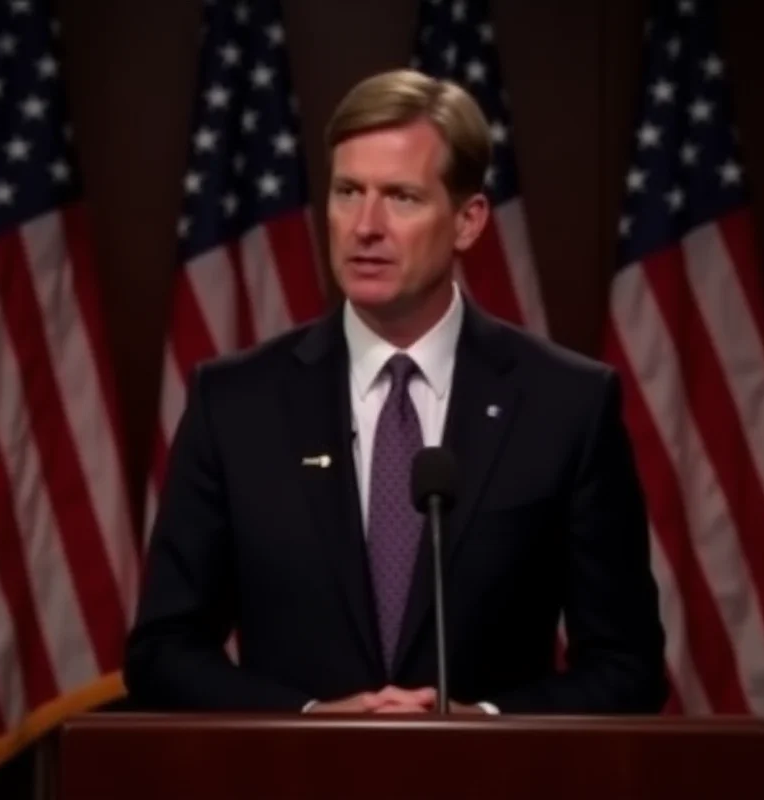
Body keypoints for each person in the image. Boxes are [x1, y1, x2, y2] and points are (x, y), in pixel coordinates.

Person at [124, 69, 667, 715]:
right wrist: (308, 721)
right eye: (348, 191)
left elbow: (627, 667)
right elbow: (163, 652)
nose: (365, 225)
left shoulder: (567, 404)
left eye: (401, 197)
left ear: (467, 221)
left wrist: (489, 725)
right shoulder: (236, 402)